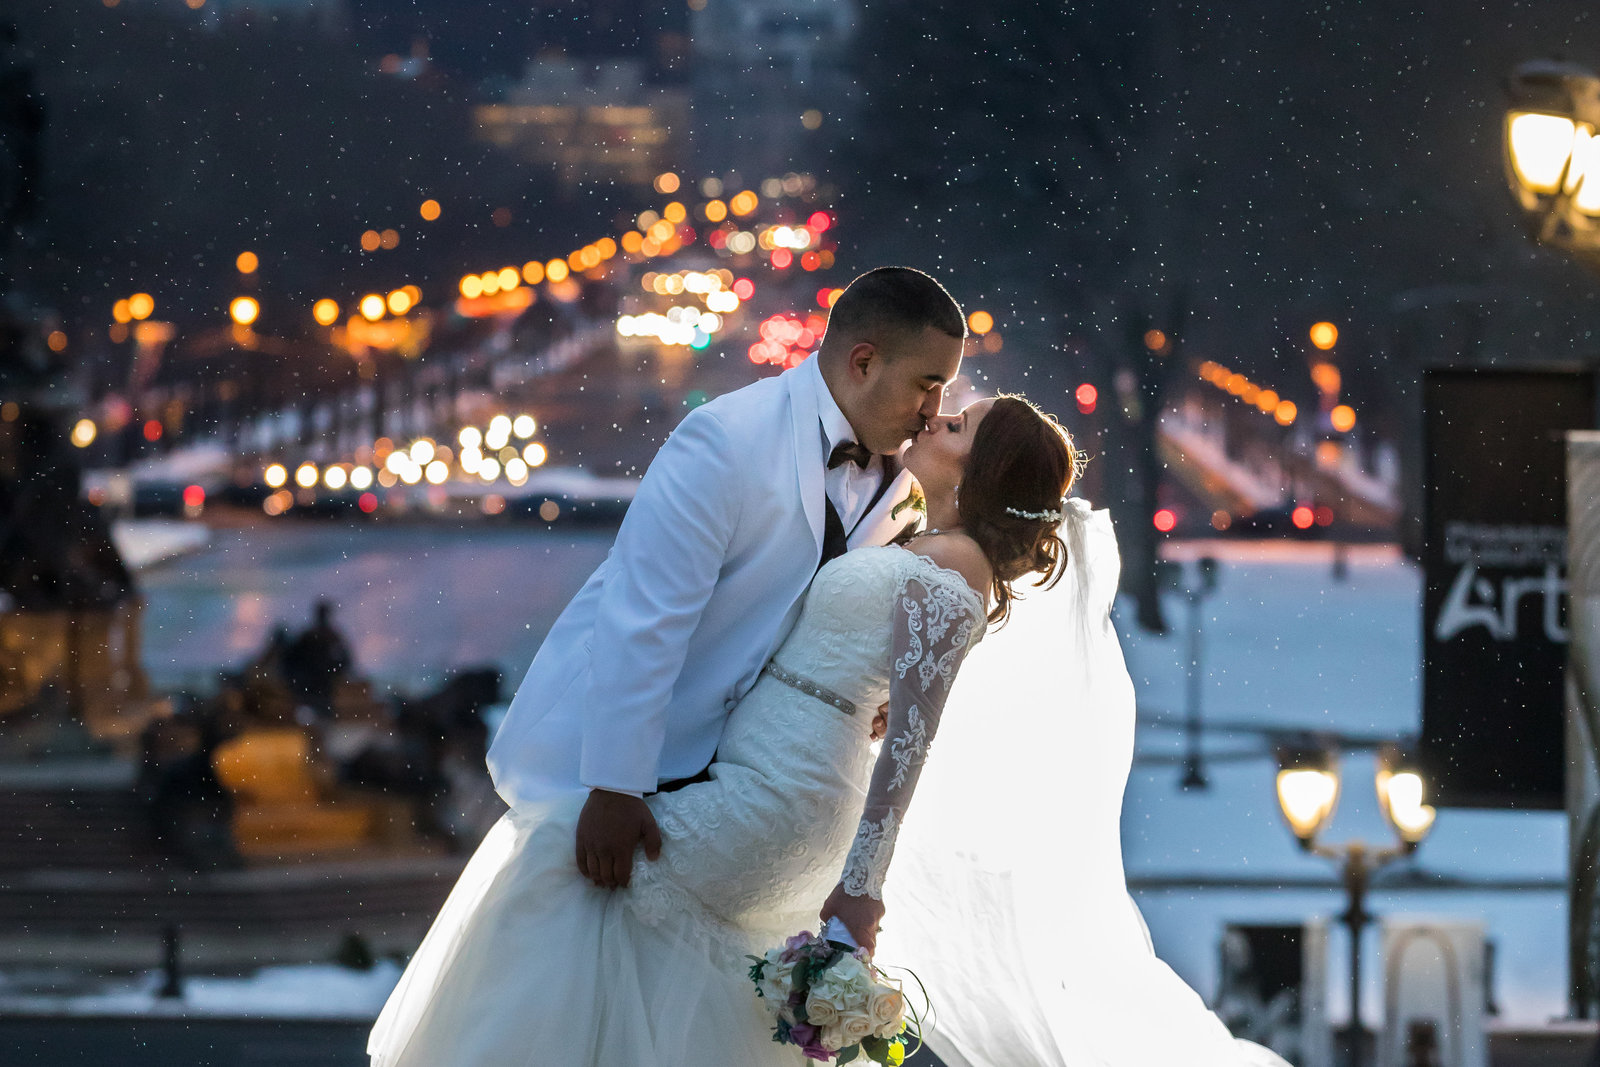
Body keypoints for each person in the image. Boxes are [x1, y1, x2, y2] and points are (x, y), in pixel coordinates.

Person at [369, 394, 1290, 1066]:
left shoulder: (954, 568)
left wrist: (861, 896)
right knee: (611, 915)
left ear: (981, 472)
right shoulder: (926, 543)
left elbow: (911, 748)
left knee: (558, 868)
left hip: (789, 796)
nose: (939, 419)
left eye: (960, 426)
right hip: (785, 769)